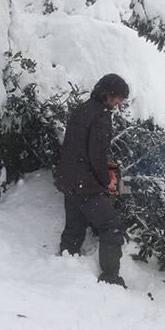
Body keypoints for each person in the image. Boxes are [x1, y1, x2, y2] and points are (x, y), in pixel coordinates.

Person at [55, 73, 129, 288]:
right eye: (118, 97)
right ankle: (111, 280)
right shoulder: (100, 116)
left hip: (69, 180)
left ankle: (63, 266)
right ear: (107, 93)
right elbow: (96, 154)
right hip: (86, 184)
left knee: (74, 225)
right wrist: (107, 181)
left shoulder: (83, 108)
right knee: (112, 227)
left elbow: (74, 146)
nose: (119, 102)